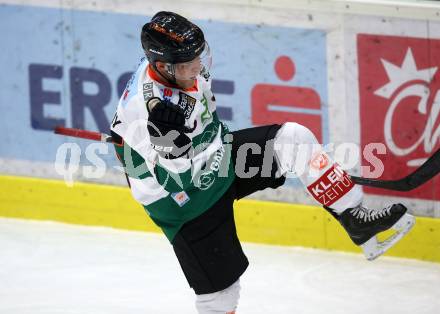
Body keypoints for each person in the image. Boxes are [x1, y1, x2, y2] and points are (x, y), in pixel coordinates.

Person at [110, 11, 415, 314]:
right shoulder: (148, 115)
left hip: (222, 157)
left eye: (199, 56)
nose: (199, 66)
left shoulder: (174, 68)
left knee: (293, 140)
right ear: (164, 66)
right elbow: (177, 179)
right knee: (221, 296)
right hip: (185, 201)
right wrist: (169, 148)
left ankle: (355, 218)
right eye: (190, 63)